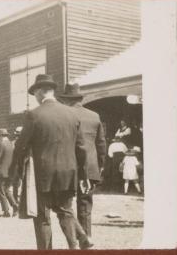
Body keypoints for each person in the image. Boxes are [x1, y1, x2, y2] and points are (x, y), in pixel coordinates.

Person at [10, 74, 92, 250]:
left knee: (43, 218)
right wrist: (83, 175)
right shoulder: (72, 114)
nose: (36, 98)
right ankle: (75, 246)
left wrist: (17, 171)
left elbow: (20, 146)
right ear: (53, 91)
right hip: (68, 173)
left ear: (39, 92)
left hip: (43, 175)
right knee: (65, 210)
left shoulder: (34, 115)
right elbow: (82, 148)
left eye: (35, 94)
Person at [59, 83, 107, 238]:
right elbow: (101, 144)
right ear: (79, 98)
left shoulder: (63, 114)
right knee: (85, 205)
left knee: (65, 206)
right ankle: (85, 241)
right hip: (91, 167)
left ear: (66, 100)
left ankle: (74, 240)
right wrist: (100, 166)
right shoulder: (94, 116)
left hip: (68, 166)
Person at [0, 128, 19, 217]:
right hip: (11, 171)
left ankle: (6, 211)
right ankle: (15, 206)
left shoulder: (1, 144)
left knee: (1, 191)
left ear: (1, 136)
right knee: (7, 190)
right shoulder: (11, 144)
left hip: (2, 171)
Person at [11, 126, 23, 203]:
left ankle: (16, 198)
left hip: (16, 165)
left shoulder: (12, 143)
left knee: (15, 183)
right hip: (22, 164)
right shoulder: (25, 142)